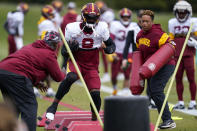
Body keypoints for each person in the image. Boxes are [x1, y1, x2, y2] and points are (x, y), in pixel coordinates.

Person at [45, 3, 115, 121]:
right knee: (71, 77)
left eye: (94, 17)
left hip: (92, 64)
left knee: (95, 94)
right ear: (83, 16)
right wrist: (70, 49)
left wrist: (109, 50)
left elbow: (111, 45)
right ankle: (53, 106)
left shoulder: (102, 27)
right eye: (89, 17)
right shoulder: (72, 28)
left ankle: (94, 118)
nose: (92, 20)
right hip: (76, 60)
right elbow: (63, 52)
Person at [0, 31, 65, 131]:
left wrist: (36, 83)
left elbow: (26, 65)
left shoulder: (30, 46)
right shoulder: (48, 54)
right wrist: (66, 63)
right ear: (56, 44)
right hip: (16, 76)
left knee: (13, 106)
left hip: (3, 72)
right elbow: (58, 77)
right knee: (29, 106)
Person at [136, 10, 176, 129]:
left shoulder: (159, 34)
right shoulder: (139, 35)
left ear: (152, 22)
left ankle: (168, 120)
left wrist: (172, 43)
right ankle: (162, 119)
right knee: (152, 92)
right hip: (150, 68)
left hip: (165, 65)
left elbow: (171, 45)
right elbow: (140, 53)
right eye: (142, 21)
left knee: (156, 91)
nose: (144, 24)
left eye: (147, 21)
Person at [168, 0, 197, 110]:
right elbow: (170, 38)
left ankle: (193, 102)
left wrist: (194, 42)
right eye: (179, 12)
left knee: (191, 78)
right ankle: (180, 101)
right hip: (176, 54)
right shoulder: (172, 22)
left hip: (189, 54)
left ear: (188, 12)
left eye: (183, 12)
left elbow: (196, 36)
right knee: (178, 78)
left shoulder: (193, 21)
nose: (181, 14)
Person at [109, 8, 138, 96]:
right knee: (114, 75)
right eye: (124, 17)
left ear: (130, 17)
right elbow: (111, 39)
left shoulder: (134, 26)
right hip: (117, 51)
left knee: (127, 72)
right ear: (120, 17)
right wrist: (112, 52)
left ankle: (125, 90)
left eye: (127, 17)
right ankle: (114, 88)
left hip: (128, 52)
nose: (125, 18)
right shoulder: (115, 24)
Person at [36, 5, 58, 97]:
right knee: (44, 69)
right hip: (46, 46)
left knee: (46, 69)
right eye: (50, 13)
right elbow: (51, 36)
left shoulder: (44, 21)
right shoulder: (46, 23)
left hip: (43, 46)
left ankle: (48, 89)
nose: (52, 15)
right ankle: (36, 89)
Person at [95, 1, 115, 82]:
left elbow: (108, 26)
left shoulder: (108, 14)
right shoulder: (101, 14)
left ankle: (107, 73)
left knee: (107, 55)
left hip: (106, 36)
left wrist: (105, 37)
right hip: (99, 36)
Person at [60, 1, 80, 69]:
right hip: (75, 41)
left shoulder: (63, 17)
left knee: (65, 58)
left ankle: (64, 72)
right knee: (76, 58)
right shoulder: (78, 17)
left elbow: (61, 29)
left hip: (66, 40)